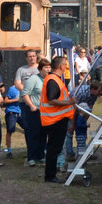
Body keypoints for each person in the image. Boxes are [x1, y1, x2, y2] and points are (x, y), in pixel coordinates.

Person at [39, 55, 75, 183]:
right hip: (54, 120)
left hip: (55, 119)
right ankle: (50, 176)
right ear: (61, 66)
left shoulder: (54, 79)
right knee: (54, 149)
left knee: (54, 148)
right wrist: (69, 102)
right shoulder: (53, 80)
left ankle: (51, 174)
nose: (66, 67)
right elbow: (52, 100)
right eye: (65, 65)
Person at [20, 57, 48, 166]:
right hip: (34, 111)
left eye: (49, 67)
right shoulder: (33, 79)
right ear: (40, 69)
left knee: (43, 134)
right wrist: (31, 105)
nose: (48, 69)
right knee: (34, 134)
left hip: (45, 111)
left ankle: (41, 156)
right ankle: (31, 157)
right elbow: (25, 93)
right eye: (46, 67)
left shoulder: (49, 79)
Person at [2, 74, 22, 158]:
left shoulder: (23, 89)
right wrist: (16, 100)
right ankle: (9, 150)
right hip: (11, 113)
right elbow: (5, 101)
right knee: (10, 131)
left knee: (28, 129)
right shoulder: (12, 89)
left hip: (21, 113)